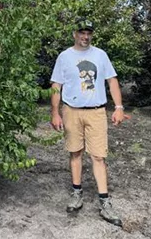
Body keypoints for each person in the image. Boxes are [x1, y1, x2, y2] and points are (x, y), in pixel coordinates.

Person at [50, 18, 126, 227]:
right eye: (82, 32)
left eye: (89, 33)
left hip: (96, 112)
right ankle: (76, 193)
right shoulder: (65, 57)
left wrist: (119, 107)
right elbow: (56, 85)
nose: (85, 36)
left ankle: (105, 202)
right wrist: (55, 112)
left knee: (99, 156)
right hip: (71, 111)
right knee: (75, 152)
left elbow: (112, 80)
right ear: (74, 33)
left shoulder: (100, 55)